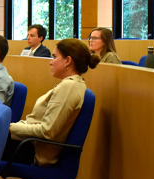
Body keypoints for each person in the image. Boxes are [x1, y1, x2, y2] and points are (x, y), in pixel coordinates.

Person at [8, 38, 99, 166]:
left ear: (67, 61)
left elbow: (47, 131)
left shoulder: (69, 87)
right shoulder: (71, 84)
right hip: (28, 143)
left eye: (55, 57)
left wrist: (11, 128)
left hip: (33, 150)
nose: (51, 62)